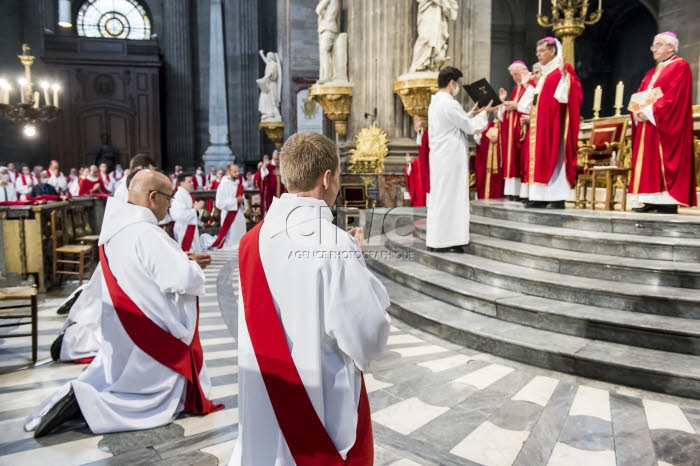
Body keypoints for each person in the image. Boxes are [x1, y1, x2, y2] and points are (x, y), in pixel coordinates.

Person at [230, 131, 391, 465]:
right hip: (317, 404)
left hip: (265, 389)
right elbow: (368, 336)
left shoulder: (251, 241)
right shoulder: (335, 244)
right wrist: (354, 258)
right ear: (327, 178)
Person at [25, 170, 221, 438]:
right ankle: (88, 404)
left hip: (126, 329)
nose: (170, 205)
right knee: (149, 399)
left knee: (122, 378)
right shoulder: (146, 233)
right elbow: (179, 279)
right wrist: (191, 266)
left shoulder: (117, 228)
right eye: (169, 198)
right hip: (153, 334)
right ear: (153, 197)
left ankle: (83, 397)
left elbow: (143, 269)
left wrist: (180, 258)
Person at [629, 31, 697, 214]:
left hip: (664, 124)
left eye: (658, 45)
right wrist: (636, 111)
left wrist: (648, 111)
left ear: (671, 47)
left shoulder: (680, 66)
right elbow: (639, 95)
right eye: (653, 45)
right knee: (648, 164)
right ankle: (650, 199)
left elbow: (675, 97)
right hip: (648, 124)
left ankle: (667, 202)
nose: (654, 49)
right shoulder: (652, 72)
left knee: (662, 160)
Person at [426, 66, 491, 252]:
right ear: (452, 83)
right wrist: (486, 112)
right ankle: (450, 242)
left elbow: (456, 122)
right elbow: (469, 128)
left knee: (441, 198)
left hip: (441, 158)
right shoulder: (449, 103)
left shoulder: (436, 102)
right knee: (452, 198)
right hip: (451, 158)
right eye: (458, 84)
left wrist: (472, 112)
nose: (458, 87)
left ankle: (437, 240)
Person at [523, 37, 582, 209]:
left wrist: (565, 77)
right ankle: (540, 195)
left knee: (555, 158)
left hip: (555, 124)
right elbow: (536, 100)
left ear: (553, 51)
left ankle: (557, 197)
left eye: (542, 51)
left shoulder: (561, 70)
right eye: (537, 52)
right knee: (541, 158)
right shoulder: (545, 74)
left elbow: (573, 93)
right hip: (540, 125)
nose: (538, 55)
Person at [497, 61, 530, 201]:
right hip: (512, 129)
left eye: (517, 74)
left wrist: (516, 105)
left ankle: (520, 193)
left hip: (523, 128)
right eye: (513, 76)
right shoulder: (517, 89)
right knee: (511, 159)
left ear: (524, 72)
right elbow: (513, 107)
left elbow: (532, 106)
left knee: (520, 160)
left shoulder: (531, 86)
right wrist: (503, 103)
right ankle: (512, 192)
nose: (516, 78)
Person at [408, 0, 459, 73]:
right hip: (427, 9)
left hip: (438, 12)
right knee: (425, 37)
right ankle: (417, 64)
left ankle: (432, 64)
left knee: (437, 38)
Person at [205, 164, 246, 250]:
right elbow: (219, 203)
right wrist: (235, 201)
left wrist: (242, 201)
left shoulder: (239, 185)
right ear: (229, 172)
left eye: (238, 171)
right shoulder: (223, 185)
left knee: (240, 239)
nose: (238, 173)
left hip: (239, 215)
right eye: (235, 171)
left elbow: (242, 200)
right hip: (229, 215)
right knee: (230, 242)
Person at [171, 173, 205, 252]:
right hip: (183, 229)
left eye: (192, 181)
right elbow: (179, 215)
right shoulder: (178, 196)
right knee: (187, 253)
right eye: (189, 181)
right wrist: (195, 209)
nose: (192, 183)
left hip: (189, 227)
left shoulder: (186, 194)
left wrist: (196, 209)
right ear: (182, 183)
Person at [474, 120, 504, 199]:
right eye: (495, 109)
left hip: (501, 165)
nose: (496, 111)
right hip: (488, 166)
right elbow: (479, 141)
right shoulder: (489, 125)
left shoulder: (506, 125)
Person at [254, 150, 287, 215]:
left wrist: (282, 174)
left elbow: (289, 180)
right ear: (272, 157)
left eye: (278, 159)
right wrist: (264, 166)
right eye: (275, 159)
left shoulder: (283, 166)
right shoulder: (268, 166)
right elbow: (261, 177)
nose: (277, 161)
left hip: (282, 193)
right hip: (270, 194)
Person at [316, 0, 340, 83]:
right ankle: (325, 75)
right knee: (326, 53)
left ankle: (327, 76)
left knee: (324, 51)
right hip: (327, 28)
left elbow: (318, 9)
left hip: (329, 28)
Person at [257, 50, 282, 122]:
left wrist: (264, 78)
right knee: (266, 99)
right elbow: (266, 61)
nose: (267, 58)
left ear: (271, 57)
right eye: (267, 56)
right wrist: (262, 54)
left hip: (272, 85)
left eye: (268, 56)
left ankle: (277, 116)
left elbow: (271, 72)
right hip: (268, 84)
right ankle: (269, 113)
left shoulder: (274, 64)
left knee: (273, 100)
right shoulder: (269, 63)